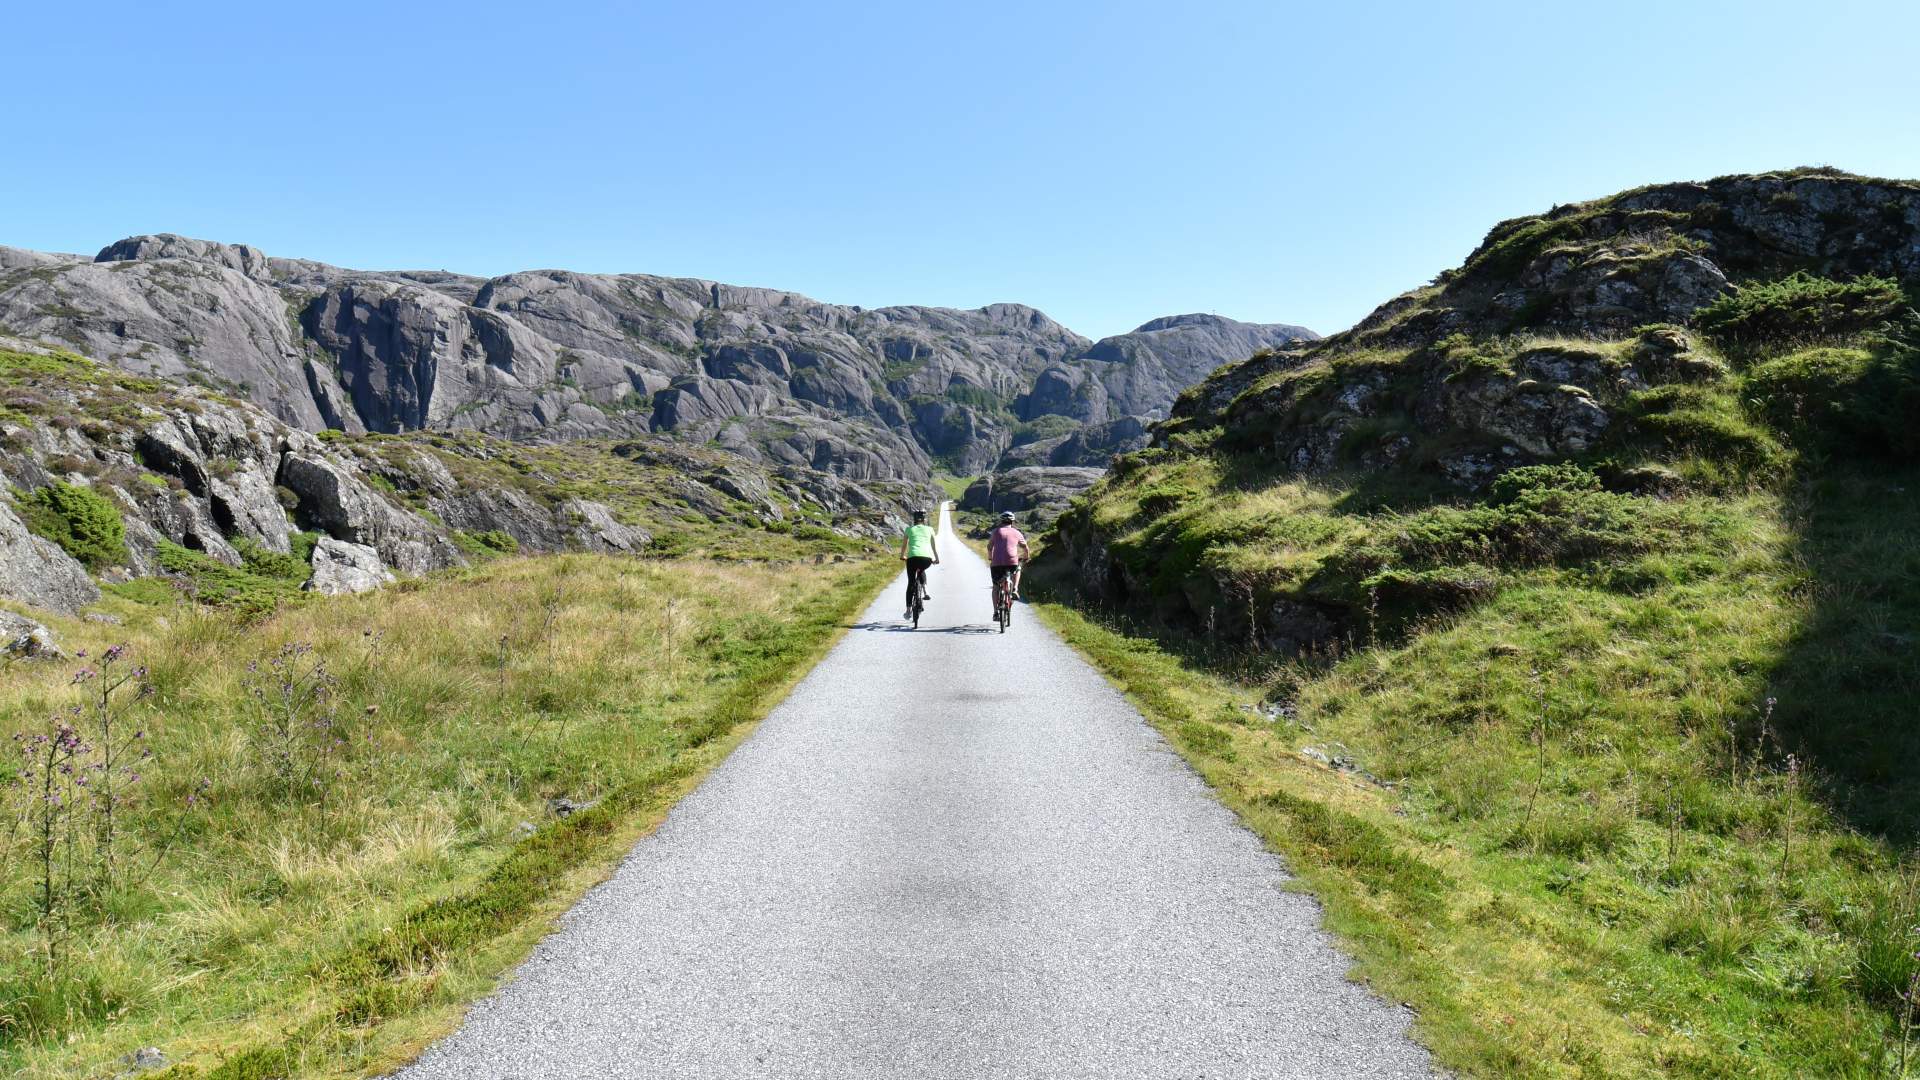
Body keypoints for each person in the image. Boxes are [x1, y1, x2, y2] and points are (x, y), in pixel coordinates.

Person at [898, 508, 939, 618]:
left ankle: (908, 611)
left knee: (911, 583)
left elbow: (904, 545)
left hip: (912, 558)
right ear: (924, 520)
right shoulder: (930, 529)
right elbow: (934, 546)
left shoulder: (909, 529)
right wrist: (936, 558)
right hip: (926, 559)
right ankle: (925, 589)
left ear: (914, 519)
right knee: (921, 569)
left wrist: (902, 556)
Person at [987, 511, 1029, 610]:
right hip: (1012, 561)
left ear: (1001, 521)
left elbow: (989, 547)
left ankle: (996, 612)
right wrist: (1026, 557)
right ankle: (1015, 589)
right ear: (1012, 521)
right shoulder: (1016, 532)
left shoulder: (996, 531)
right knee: (1018, 568)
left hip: (997, 563)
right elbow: (1025, 547)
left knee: (995, 587)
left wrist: (990, 557)